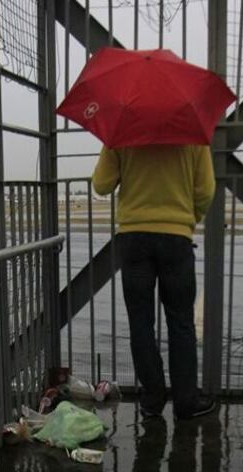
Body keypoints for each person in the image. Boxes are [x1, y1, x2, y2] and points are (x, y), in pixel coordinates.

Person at [92, 144, 218, 419]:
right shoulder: (193, 137)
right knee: (181, 322)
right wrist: (187, 221)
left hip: (134, 238)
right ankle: (186, 401)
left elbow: (101, 185)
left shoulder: (122, 134)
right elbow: (206, 191)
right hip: (176, 239)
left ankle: (152, 399)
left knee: (141, 323)